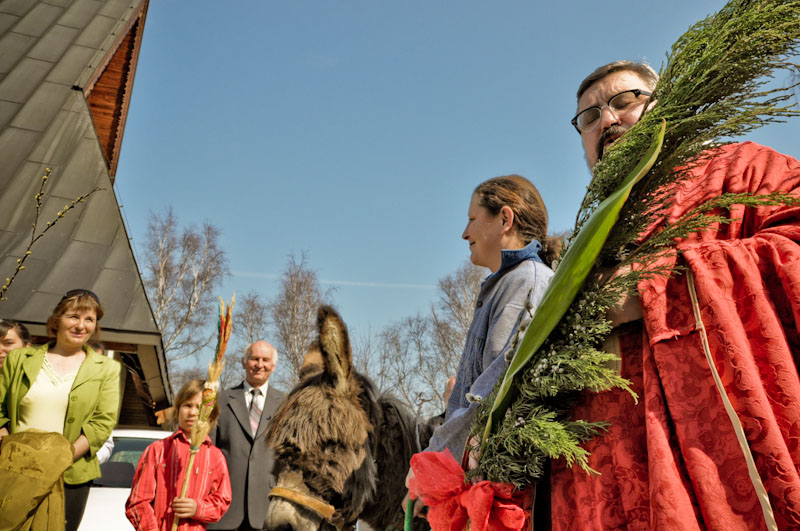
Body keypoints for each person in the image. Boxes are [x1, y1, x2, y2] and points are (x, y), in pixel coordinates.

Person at [549, 60, 800, 529]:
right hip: (605, 495)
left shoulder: (739, 169)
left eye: (625, 102)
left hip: (717, 475)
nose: (606, 121)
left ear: (664, 109)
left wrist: (654, 284)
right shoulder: (586, 241)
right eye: (589, 117)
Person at [409, 174, 556, 498]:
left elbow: (491, 395)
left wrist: (431, 465)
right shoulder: (506, 284)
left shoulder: (524, 283)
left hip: (507, 493)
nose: (465, 233)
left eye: (473, 219)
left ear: (505, 219)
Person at [0, 289, 121, 531]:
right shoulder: (20, 359)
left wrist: (58, 460)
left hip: (70, 474)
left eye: (89, 319)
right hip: (14, 470)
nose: (81, 325)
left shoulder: (107, 369)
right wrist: (11, 452)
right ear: (57, 319)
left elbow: (101, 423)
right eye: (73, 316)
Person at [126, 379, 232, 531]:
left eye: (200, 407)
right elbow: (138, 502)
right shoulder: (158, 450)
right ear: (178, 409)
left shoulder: (215, 456)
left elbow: (222, 500)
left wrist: (198, 508)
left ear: (210, 414)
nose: (193, 412)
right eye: (187, 405)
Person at [209, 340, 285, 531]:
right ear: (244, 362)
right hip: (224, 506)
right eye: (254, 359)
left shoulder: (286, 404)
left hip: (268, 507)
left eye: (266, 360)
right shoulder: (220, 400)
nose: (260, 364)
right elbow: (208, 452)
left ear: (274, 366)